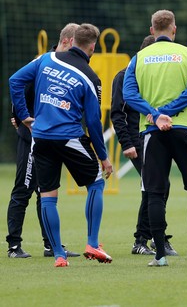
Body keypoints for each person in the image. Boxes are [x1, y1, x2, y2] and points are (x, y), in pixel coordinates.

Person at [9, 23, 114, 268]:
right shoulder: (90, 77)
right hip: (69, 138)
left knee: (47, 195)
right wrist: (103, 156)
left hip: (41, 138)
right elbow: (93, 122)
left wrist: (25, 116)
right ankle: (92, 242)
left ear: (71, 40)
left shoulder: (46, 58)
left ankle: (58, 255)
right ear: (92, 47)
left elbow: (14, 80)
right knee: (96, 182)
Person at [123, 9, 187, 267]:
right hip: (184, 127)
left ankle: (159, 256)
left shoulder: (138, 58)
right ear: (174, 29)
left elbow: (128, 94)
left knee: (154, 192)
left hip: (152, 132)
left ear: (152, 31)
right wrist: (169, 112)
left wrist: (155, 114)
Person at [6, 23, 81, 259]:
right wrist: (21, 116)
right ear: (68, 41)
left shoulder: (64, 65)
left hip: (51, 137)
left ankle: (51, 245)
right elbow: (18, 85)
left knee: (46, 192)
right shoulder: (43, 61)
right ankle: (14, 246)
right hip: (33, 137)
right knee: (23, 190)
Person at [111, 35, 177, 257]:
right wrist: (127, 143)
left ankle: (155, 237)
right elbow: (117, 113)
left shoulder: (156, 77)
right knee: (156, 187)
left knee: (159, 187)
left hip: (157, 139)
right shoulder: (125, 76)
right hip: (137, 142)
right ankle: (144, 240)